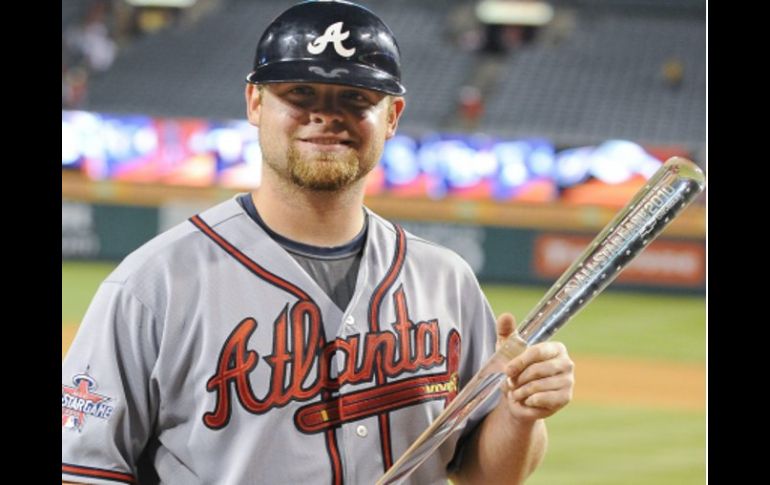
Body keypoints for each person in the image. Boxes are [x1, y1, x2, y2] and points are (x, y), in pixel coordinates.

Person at [61, 1, 574, 484]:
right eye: (300, 94)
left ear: (392, 117)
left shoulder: (446, 280)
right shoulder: (154, 285)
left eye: (355, 98)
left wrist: (520, 412)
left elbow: (486, 472)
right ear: (255, 103)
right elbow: (82, 469)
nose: (326, 115)